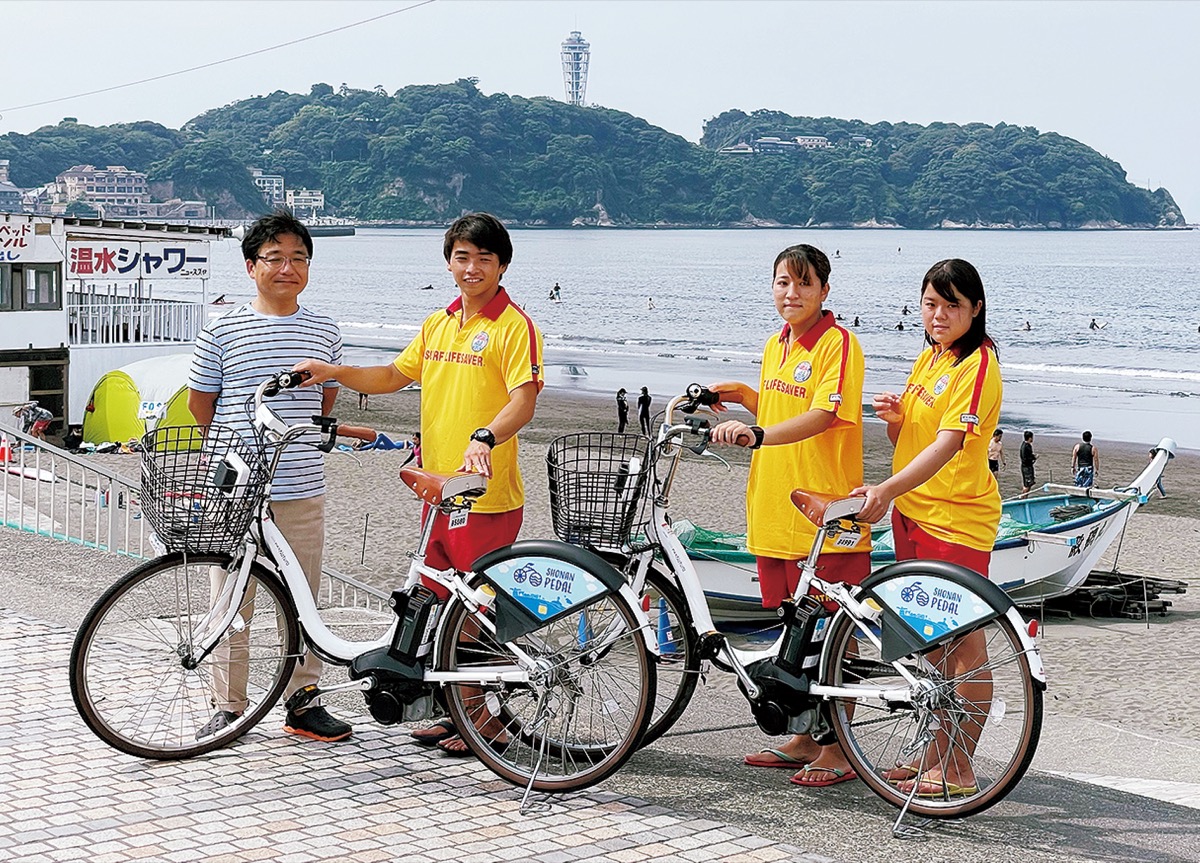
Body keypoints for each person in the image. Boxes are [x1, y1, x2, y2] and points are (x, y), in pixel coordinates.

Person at [293, 212, 544, 757]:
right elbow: (392, 376)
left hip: (485, 495)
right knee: (438, 603)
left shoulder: (513, 326)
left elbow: (523, 401)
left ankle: (484, 721)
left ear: (502, 265)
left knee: (477, 614)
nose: (472, 268)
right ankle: (456, 711)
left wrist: (485, 436)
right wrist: (334, 372)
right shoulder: (439, 323)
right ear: (449, 262)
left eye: (484, 258)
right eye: (462, 257)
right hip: (437, 492)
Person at [187, 209, 352, 743]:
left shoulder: (325, 330)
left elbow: (325, 401)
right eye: (274, 258)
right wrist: (237, 446)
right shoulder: (220, 329)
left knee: (303, 598)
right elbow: (200, 405)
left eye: (299, 258)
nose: (288, 268)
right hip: (234, 487)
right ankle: (228, 704)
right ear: (250, 266)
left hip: (302, 485)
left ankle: (303, 701)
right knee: (230, 600)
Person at [708, 243, 869, 789]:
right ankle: (805, 737)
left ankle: (840, 748)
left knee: (833, 635)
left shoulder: (838, 343)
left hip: (824, 516)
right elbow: (784, 409)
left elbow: (824, 414)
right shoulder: (776, 343)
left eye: (803, 283)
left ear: (824, 290)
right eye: (782, 282)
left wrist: (756, 434)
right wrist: (745, 397)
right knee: (793, 631)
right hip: (775, 508)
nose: (791, 293)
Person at [852, 258, 1002, 800]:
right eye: (930, 304)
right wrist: (898, 420)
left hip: (956, 521)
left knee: (963, 646)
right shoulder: (931, 356)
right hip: (915, 515)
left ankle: (959, 765)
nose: (938, 315)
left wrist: (885, 489)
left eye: (951, 305)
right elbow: (911, 442)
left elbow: (949, 445)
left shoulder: (977, 365)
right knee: (931, 647)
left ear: (975, 309)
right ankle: (934, 753)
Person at [1020, 430, 1037, 497]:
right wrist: (1034, 458)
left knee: (1029, 484)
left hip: (1028, 466)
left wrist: (1033, 456)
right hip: (1026, 467)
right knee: (1027, 484)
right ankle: (1023, 497)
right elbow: (1025, 458)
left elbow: (1028, 455)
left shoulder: (1027, 445)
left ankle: (1024, 496)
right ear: (1030, 438)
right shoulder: (1026, 446)